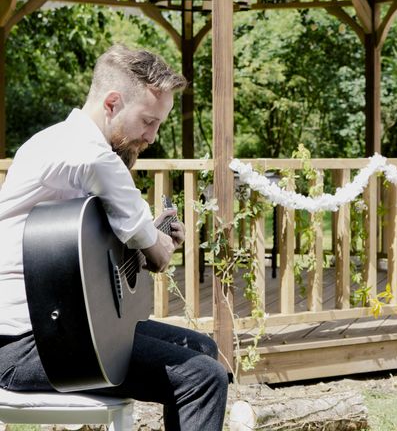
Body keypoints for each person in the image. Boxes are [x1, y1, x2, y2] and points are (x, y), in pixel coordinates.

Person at [0, 44, 228, 430]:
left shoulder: (54, 141)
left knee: (201, 349)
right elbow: (156, 255)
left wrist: (143, 241)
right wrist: (160, 242)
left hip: (51, 333)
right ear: (112, 102)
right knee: (203, 377)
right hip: (24, 345)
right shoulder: (92, 157)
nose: (153, 136)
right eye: (148, 121)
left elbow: (89, 250)